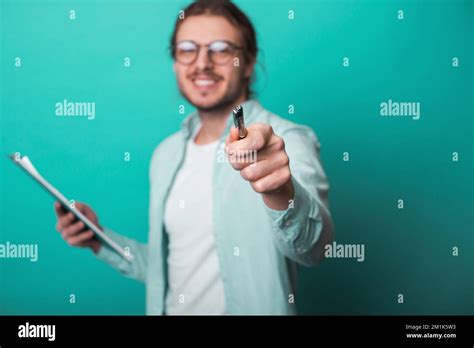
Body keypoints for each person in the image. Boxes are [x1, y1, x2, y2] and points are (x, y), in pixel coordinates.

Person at [54, 0, 333, 315]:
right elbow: (170, 270)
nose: (202, 63)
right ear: (175, 61)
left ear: (249, 61)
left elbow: (313, 248)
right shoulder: (166, 154)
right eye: (187, 49)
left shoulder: (287, 139)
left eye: (221, 49)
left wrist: (281, 190)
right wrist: (98, 239)